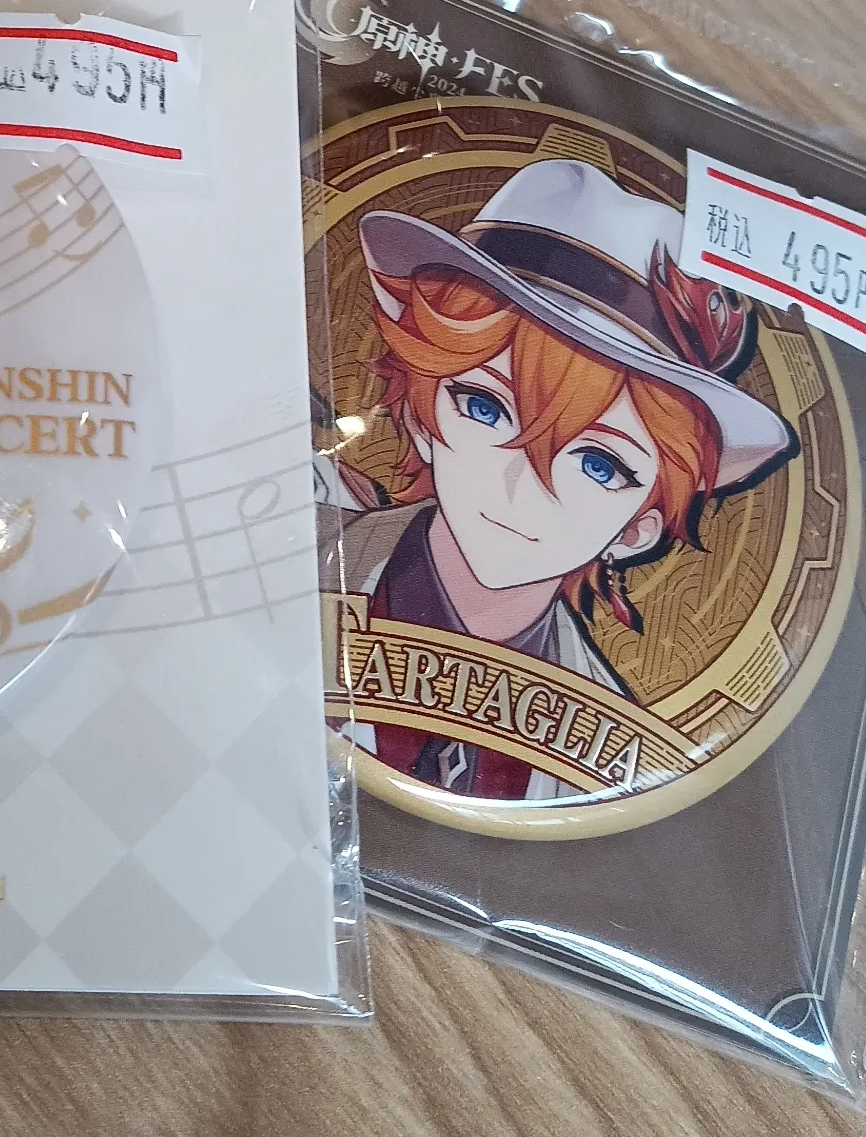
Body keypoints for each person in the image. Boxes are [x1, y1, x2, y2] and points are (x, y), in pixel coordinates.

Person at [319, 157, 794, 802]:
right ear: (423, 419)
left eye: (600, 465)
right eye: (484, 407)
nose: (522, 485)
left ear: (638, 528)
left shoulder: (611, 743)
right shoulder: (294, 556)